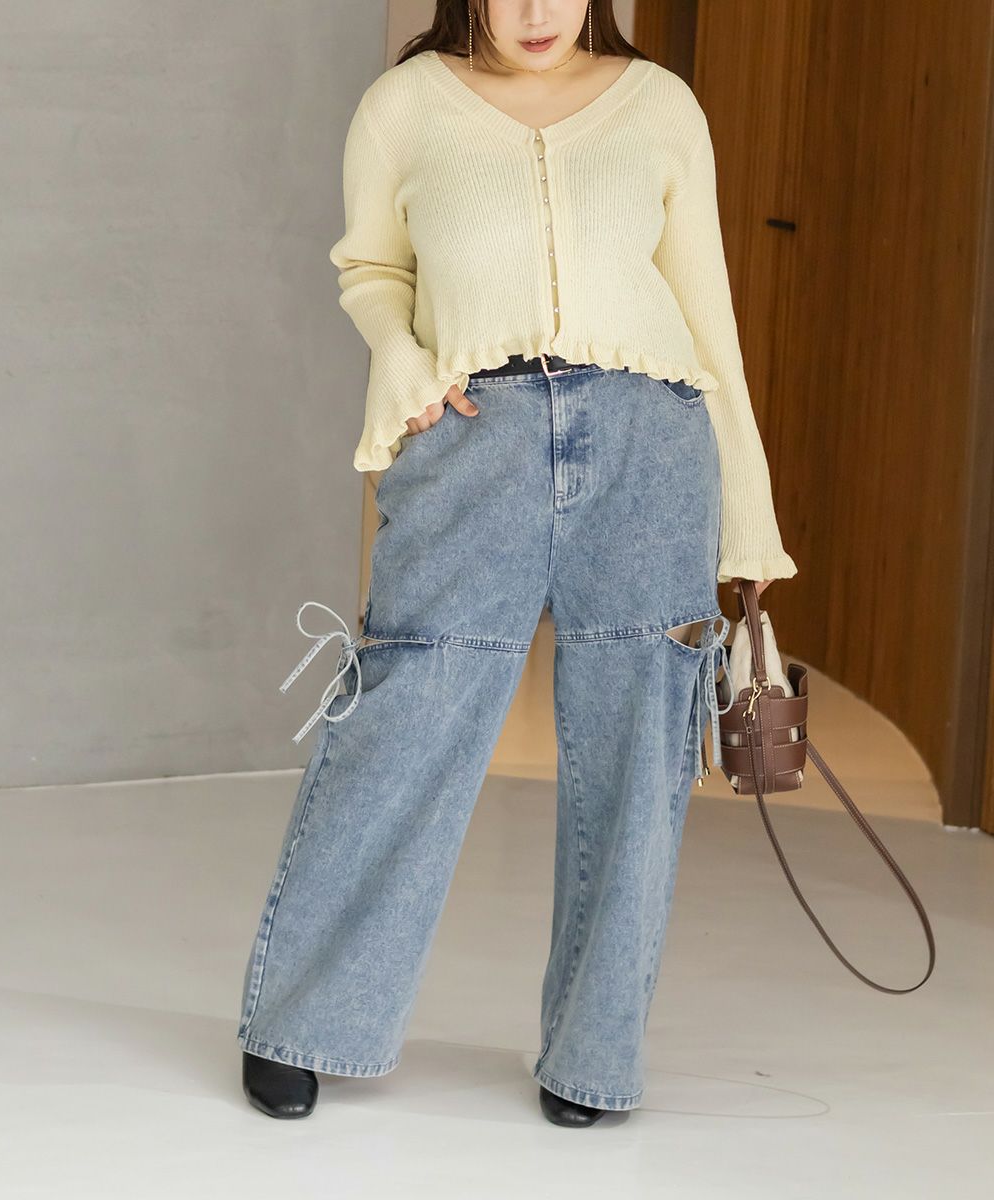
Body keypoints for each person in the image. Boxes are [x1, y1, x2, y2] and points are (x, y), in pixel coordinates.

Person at [237, 0, 798, 1128]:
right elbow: (371, 269)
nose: (537, 12)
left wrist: (748, 521)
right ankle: (304, 1021)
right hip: (473, 430)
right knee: (400, 726)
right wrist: (401, 357)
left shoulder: (661, 108)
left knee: (637, 756)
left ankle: (590, 1060)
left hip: (650, 442)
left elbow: (710, 321)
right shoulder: (405, 106)